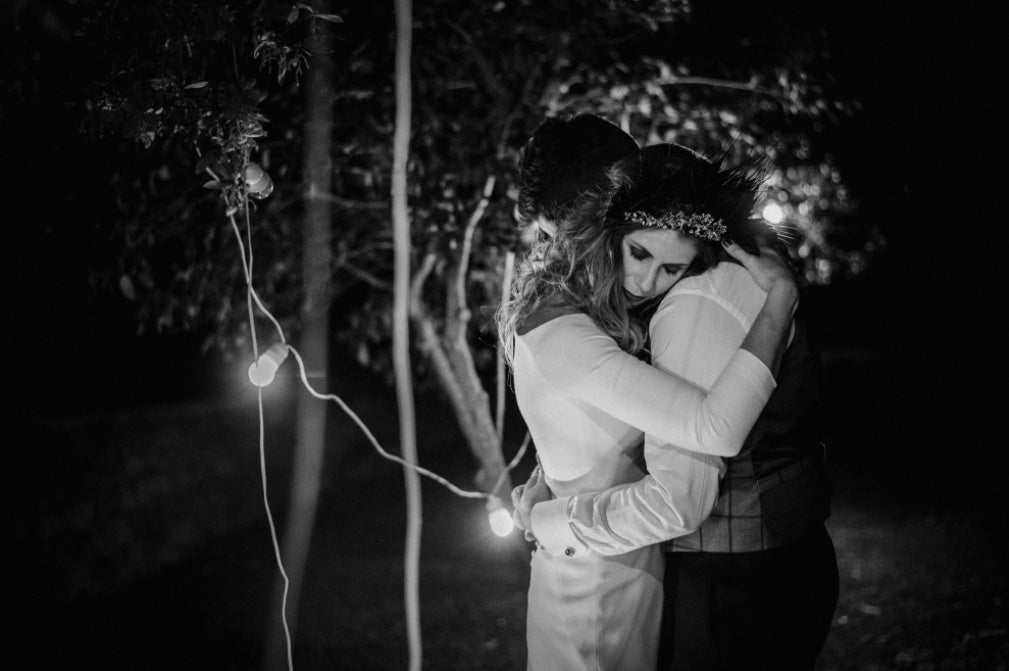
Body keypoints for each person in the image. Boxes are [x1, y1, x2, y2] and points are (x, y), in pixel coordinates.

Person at [514, 142, 838, 671]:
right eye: (639, 254)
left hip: (731, 580)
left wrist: (554, 521)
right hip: (767, 562)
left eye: (668, 267)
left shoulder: (690, 304)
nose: (644, 282)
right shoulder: (703, 282)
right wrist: (555, 464)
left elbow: (700, 460)